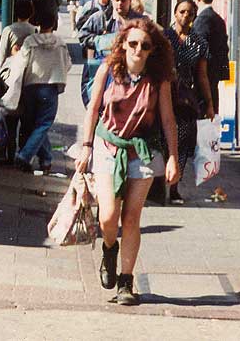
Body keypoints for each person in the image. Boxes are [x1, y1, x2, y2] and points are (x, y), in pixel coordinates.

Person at [76, 19, 179, 306]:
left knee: (132, 218)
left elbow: (168, 119)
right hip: (108, 146)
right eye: (133, 43)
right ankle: (110, 249)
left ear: (152, 50)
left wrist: (172, 157)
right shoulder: (108, 70)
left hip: (141, 150)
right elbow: (93, 109)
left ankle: (126, 282)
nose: (138, 50)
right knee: (108, 216)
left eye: (145, 46)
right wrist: (86, 148)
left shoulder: (159, 79)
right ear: (123, 44)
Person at [164, 0, 215, 204]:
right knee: (160, 139)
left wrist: (209, 103)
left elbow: (202, 74)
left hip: (185, 97)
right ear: (175, 13)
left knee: (183, 141)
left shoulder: (199, 42)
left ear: (194, 16)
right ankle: (158, 185)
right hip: (163, 92)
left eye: (190, 13)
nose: (185, 16)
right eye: (182, 12)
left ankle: (174, 186)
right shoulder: (164, 38)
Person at [14, 8, 72, 173]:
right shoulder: (60, 43)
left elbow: (21, 63)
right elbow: (68, 64)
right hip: (50, 87)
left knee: (35, 124)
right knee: (44, 124)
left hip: (31, 86)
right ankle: (25, 156)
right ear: (54, 25)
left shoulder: (30, 41)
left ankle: (46, 160)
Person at [78, 0, 144, 106]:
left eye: (123, 0)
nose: (120, 4)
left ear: (130, 0)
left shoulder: (140, 21)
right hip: (105, 67)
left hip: (131, 68)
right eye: (117, 0)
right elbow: (83, 36)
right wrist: (101, 41)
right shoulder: (100, 18)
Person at [0, 0, 37, 161]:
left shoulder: (9, 30)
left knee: (10, 116)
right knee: (25, 117)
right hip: (27, 77)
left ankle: (9, 152)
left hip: (10, 76)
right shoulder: (34, 30)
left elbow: (1, 54)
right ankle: (23, 152)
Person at [192, 0, 231, 112]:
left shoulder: (202, 19)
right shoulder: (218, 19)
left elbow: (198, 46)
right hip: (214, 73)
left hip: (205, 73)